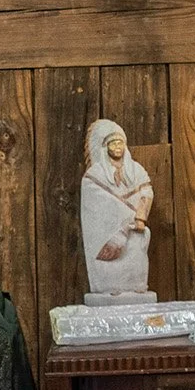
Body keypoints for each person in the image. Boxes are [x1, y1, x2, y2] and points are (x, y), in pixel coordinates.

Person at [80, 119, 154, 302]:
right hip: (108, 232)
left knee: (135, 252)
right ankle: (108, 286)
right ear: (105, 148)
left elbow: (147, 191)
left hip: (135, 229)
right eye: (113, 143)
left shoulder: (137, 170)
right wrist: (126, 214)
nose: (117, 147)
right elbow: (95, 199)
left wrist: (140, 216)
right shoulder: (94, 175)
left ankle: (135, 285)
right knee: (110, 267)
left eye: (120, 142)